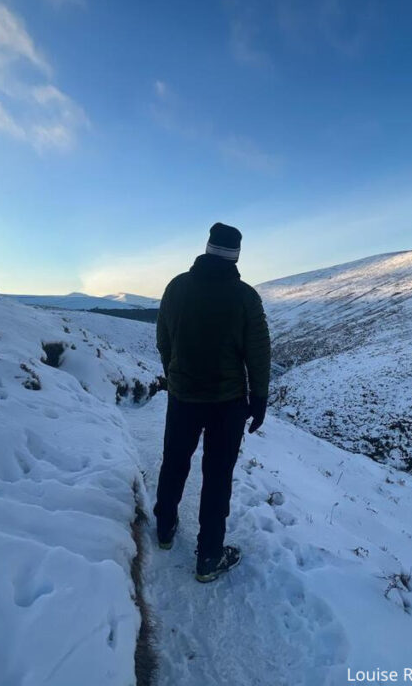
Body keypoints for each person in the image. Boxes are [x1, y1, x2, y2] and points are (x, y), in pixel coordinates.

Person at [153, 222, 271, 583]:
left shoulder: (176, 287)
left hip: (184, 396)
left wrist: (175, 377)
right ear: (236, 255)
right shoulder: (245, 297)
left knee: (174, 460)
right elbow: (258, 352)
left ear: (206, 248)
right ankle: (209, 556)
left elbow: (163, 339)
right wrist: (259, 397)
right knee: (217, 476)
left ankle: (164, 527)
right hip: (228, 402)